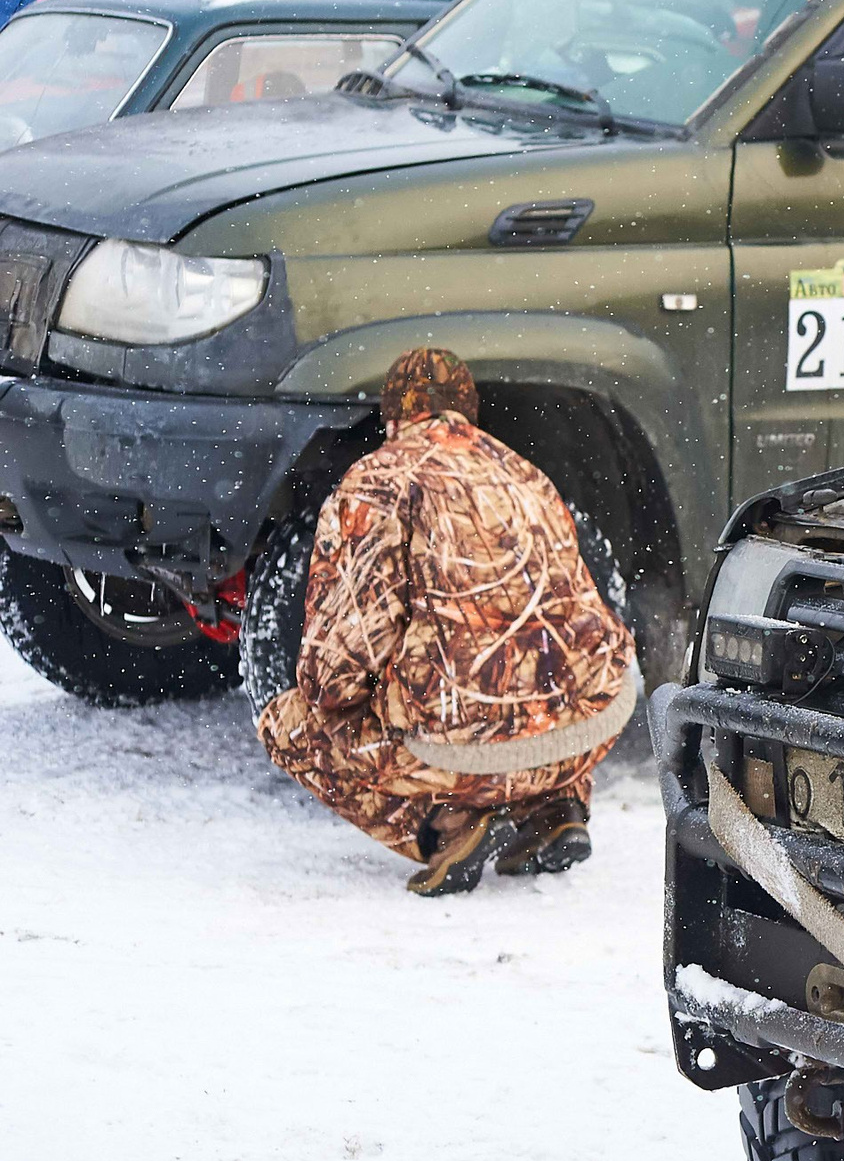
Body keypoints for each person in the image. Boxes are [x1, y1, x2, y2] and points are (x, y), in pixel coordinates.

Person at [256, 348, 638, 896]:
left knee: (289, 724)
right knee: (538, 676)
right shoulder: (522, 471)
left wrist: (380, 691)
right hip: (593, 727)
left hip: (461, 755)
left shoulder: (377, 482)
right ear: (469, 412)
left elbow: (331, 674)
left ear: (391, 420)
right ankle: (556, 808)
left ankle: (448, 832)